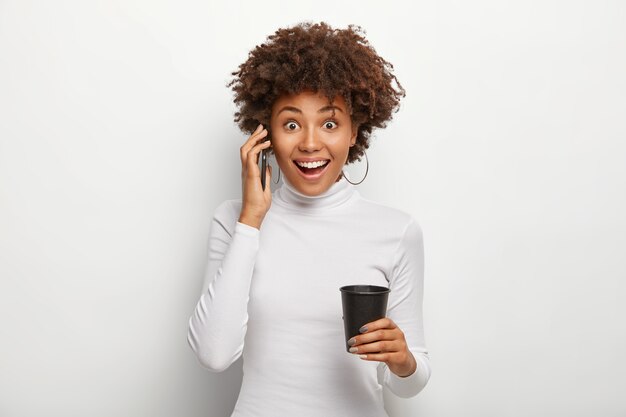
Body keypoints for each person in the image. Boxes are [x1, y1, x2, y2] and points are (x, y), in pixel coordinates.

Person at [187, 21, 431, 416]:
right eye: (291, 124)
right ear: (266, 133)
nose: (311, 143)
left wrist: (402, 359)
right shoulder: (233, 220)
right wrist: (251, 220)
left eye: (330, 123)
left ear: (355, 132)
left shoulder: (397, 231)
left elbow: (412, 382)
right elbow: (214, 355)